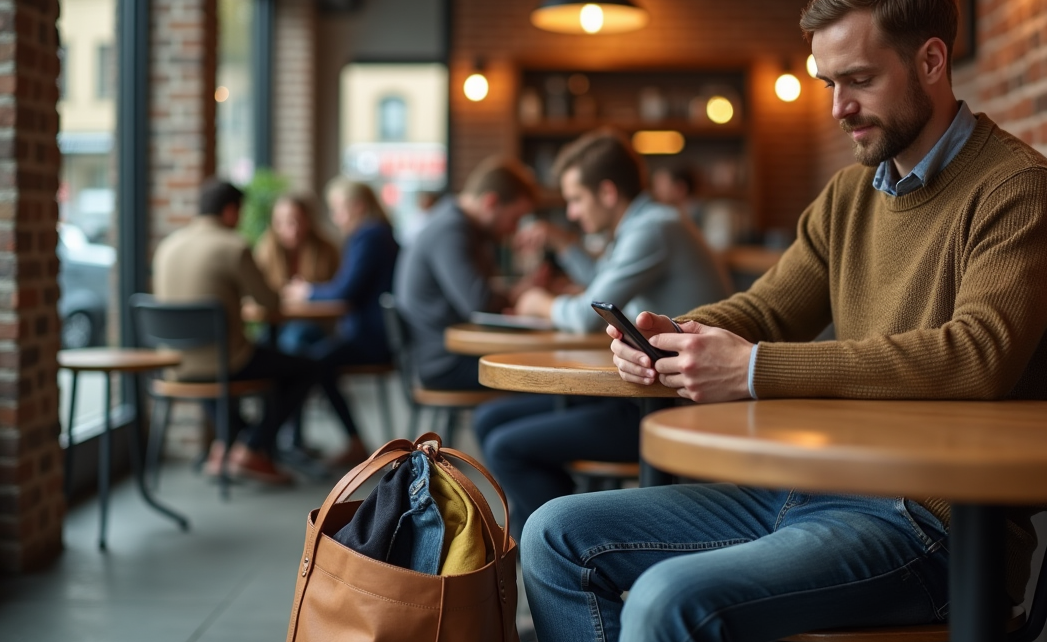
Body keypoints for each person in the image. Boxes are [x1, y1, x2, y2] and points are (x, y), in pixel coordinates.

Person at [520, 0, 1047, 642]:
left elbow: (975, 359)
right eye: (829, 84)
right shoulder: (851, 196)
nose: (837, 108)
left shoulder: (1021, 192)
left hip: (937, 526)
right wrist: (670, 333)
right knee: (554, 536)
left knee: (668, 602)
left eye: (858, 80)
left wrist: (754, 370)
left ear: (931, 61)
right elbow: (766, 307)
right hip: (815, 489)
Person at [475, 130, 731, 541]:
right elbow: (601, 288)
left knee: (506, 445)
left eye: (576, 200)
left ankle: (564, 541)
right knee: (490, 420)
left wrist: (538, 302)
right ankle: (542, 535)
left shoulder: (655, 227)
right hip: (642, 391)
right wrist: (564, 245)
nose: (572, 213)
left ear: (607, 192)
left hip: (667, 404)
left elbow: (583, 314)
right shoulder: (645, 224)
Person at [153, 179, 320, 485]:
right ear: (231, 211)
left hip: (174, 364)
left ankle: (230, 443)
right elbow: (269, 302)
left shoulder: (167, 246)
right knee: (308, 367)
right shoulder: (233, 246)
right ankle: (251, 448)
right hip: (226, 362)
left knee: (211, 361)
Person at [394, 157, 539, 391]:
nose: (514, 229)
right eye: (515, 219)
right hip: (445, 363)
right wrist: (518, 293)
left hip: (448, 354)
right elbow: (478, 302)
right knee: (539, 376)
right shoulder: (450, 230)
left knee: (537, 369)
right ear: (491, 202)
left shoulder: (458, 225)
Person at [283, 178, 400, 466]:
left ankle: (355, 442)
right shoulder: (380, 233)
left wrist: (306, 291)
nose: (335, 219)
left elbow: (345, 291)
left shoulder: (368, 236)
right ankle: (293, 439)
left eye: (338, 209)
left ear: (357, 207)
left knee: (315, 363)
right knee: (304, 350)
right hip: (380, 334)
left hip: (371, 338)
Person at [254, 194, 340, 353]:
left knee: (292, 342)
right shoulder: (265, 250)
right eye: (282, 222)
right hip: (275, 322)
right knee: (261, 348)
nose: (291, 229)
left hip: (314, 322)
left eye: (296, 221)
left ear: (308, 220)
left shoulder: (326, 250)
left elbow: (336, 290)